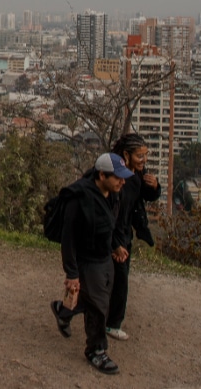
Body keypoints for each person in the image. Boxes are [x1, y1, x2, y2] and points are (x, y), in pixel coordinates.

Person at [49, 151, 134, 374]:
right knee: (98, 306)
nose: (122, 182)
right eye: (117, 177)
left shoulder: (113, 193)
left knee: (98, 299)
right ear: (101, 175)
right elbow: (68, 239)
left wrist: (116, 244)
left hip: (104, 256)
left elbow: (112, 223)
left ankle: (63, 310)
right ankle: (96, 350)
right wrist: (72, 273)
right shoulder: (79, 199)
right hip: (86, 260)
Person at [105, 133, 161, 341]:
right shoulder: (114, 174)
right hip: (112, 235)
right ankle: (109, 323)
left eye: (145, 156)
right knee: (115, 281)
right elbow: (107, 212)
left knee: (116, 280)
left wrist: (155, 187)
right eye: (140, 156)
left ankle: (106, 320)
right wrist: (115, 243)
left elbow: (146, 195)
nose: (143, 161)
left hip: (125, 233)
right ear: (126, 155)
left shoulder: (137, 174)